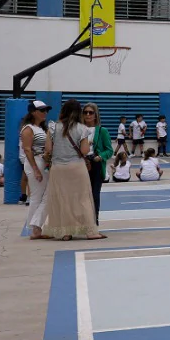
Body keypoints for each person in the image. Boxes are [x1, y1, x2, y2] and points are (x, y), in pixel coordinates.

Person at [41, 100, 105, 241]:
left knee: (62, 199)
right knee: (83, 199)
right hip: (76, 167)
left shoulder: (53, 127)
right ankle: (91, 232)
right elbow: (84, 151)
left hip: (58, 168)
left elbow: (48, 149)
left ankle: (65, 232)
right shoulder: (82, 129)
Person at [20, 101, 51, 240]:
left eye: (46, 110)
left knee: (45, 195)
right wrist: (35, 169)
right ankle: (35, 229)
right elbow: (27, 149)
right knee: (38, 196)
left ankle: (36, 227)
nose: (45, 113)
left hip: (43, 162)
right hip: (36, 162)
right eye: (42, 110)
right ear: (33, 112)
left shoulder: (41, 128)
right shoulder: (28, 128)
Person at [82, 104, 110, 228]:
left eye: (91, 112)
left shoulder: (102, 131)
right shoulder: (79, 129)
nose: (88, 115)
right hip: (81, 163)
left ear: (95, 115)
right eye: (85, 112)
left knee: (94, 194)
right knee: (81, 194)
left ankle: (94, 220)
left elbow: (109, 150)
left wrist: (101, 157)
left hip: (96, 163)